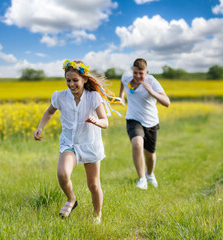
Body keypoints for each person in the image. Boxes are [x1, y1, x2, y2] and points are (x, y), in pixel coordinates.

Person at [33, 59, 120, 223]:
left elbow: (105, 123)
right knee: (62, 173)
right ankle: (71, 199)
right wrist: (40, 127)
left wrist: (95, 121)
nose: (71, 84)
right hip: (69, 143)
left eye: (75, 80)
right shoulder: (60, 96)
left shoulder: (93, 97)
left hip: (90, 144)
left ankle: (97, 215)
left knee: (93, 185)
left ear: (84, 79)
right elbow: (50, 112)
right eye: (68, 80)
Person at [119, 58, 170, 190]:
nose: (137, 76)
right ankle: (142, 179)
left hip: (151, 122)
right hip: (133, 119)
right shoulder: (126, 77)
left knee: (150, 155)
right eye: (135, 73)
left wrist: (152, 92)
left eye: (141, 73)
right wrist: (121, 96)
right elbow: (122, 82)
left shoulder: (152, 81)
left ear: (146, 72)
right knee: (137, 144)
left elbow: (167, 102)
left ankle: (150, 174)